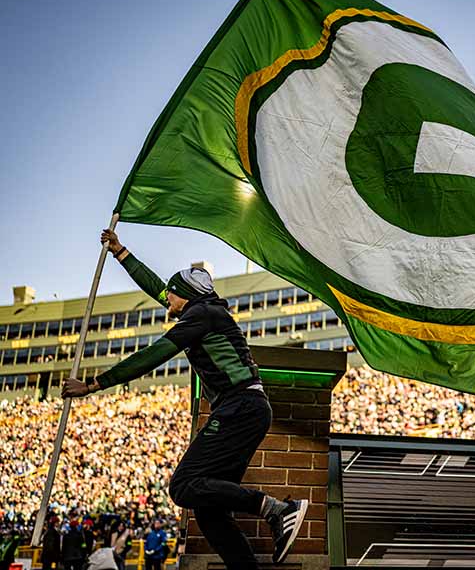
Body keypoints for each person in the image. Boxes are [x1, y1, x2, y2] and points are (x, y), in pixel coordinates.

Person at [62, 229, 308, 568]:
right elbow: (158, 287)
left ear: (186, 297)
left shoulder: (201, 316)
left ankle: (276, 509)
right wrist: (121, 253)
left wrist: (94, 384)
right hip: (246, 409)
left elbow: (156, 353)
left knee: (182, 486)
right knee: (209, 512)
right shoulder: (201, 310)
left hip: (240, 408)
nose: (167, 301)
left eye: (172, 296)